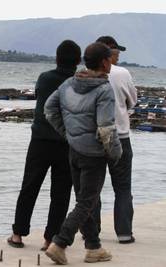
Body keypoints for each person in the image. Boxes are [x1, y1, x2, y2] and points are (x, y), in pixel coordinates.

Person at [44, 42, 122, 264]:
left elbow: (49, 110)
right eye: (110, 59)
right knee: (87, 202)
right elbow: (106, 128)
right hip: (94, 155)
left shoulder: (69, 83)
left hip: (74, 150)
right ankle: (60, 242)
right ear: (105, 62)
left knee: (84, 200)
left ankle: (93, 248)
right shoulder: (104, 89)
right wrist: (116, 153)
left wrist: (68, 134)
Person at [7, 40, 81, 251]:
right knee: (60, 193)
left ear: (57, 58)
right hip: (67, 142)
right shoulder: (78, 82)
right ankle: (50, 239)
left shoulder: (45, 78)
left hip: (40, 140)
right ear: (78, 61)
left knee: (29, 187)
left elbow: (40, 99)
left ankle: (18, 234)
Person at [96, 36, 137, 244]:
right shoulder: (123, 73)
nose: (118, 55)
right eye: (115, 52)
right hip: (120, 136)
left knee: (92, 187)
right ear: (107, 53)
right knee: (122, 187)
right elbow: (133, 100)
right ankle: (124, 233)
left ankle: (91, 233)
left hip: (94, 137)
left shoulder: (85, 75)